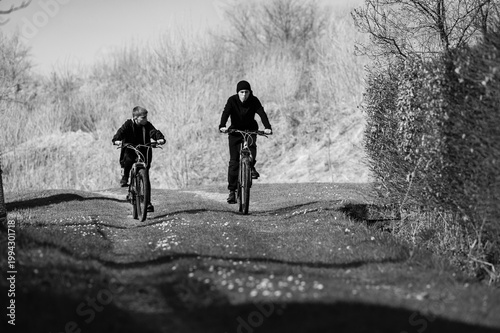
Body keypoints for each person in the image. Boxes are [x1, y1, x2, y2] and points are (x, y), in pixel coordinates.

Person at [219, 80, 273, 204]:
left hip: (250, 130)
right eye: (241, 92)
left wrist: (267, 127)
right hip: (235, 132)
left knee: (251, 148)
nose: (244, 95)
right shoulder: (232, 100)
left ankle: (251, 166)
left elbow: (261, 113)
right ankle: (232, 192)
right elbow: (226, 112)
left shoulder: (254, 100)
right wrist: (222, 125)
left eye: (246, 92)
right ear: (237, 93)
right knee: (234, 162)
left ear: (250, 92)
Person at [112, 106, 165, 212]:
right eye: (143, 117)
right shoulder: (128, 124)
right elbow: (119, 134)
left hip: (144, 150)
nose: (145, 119)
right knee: (128, 159)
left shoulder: (147, 125)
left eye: (146, 117)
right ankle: (125, 177)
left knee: (146, 175)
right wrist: (117, 141)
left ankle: (148, 202)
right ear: (135, 118)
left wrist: (160, 138)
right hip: (130, 149)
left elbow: (154, 132)